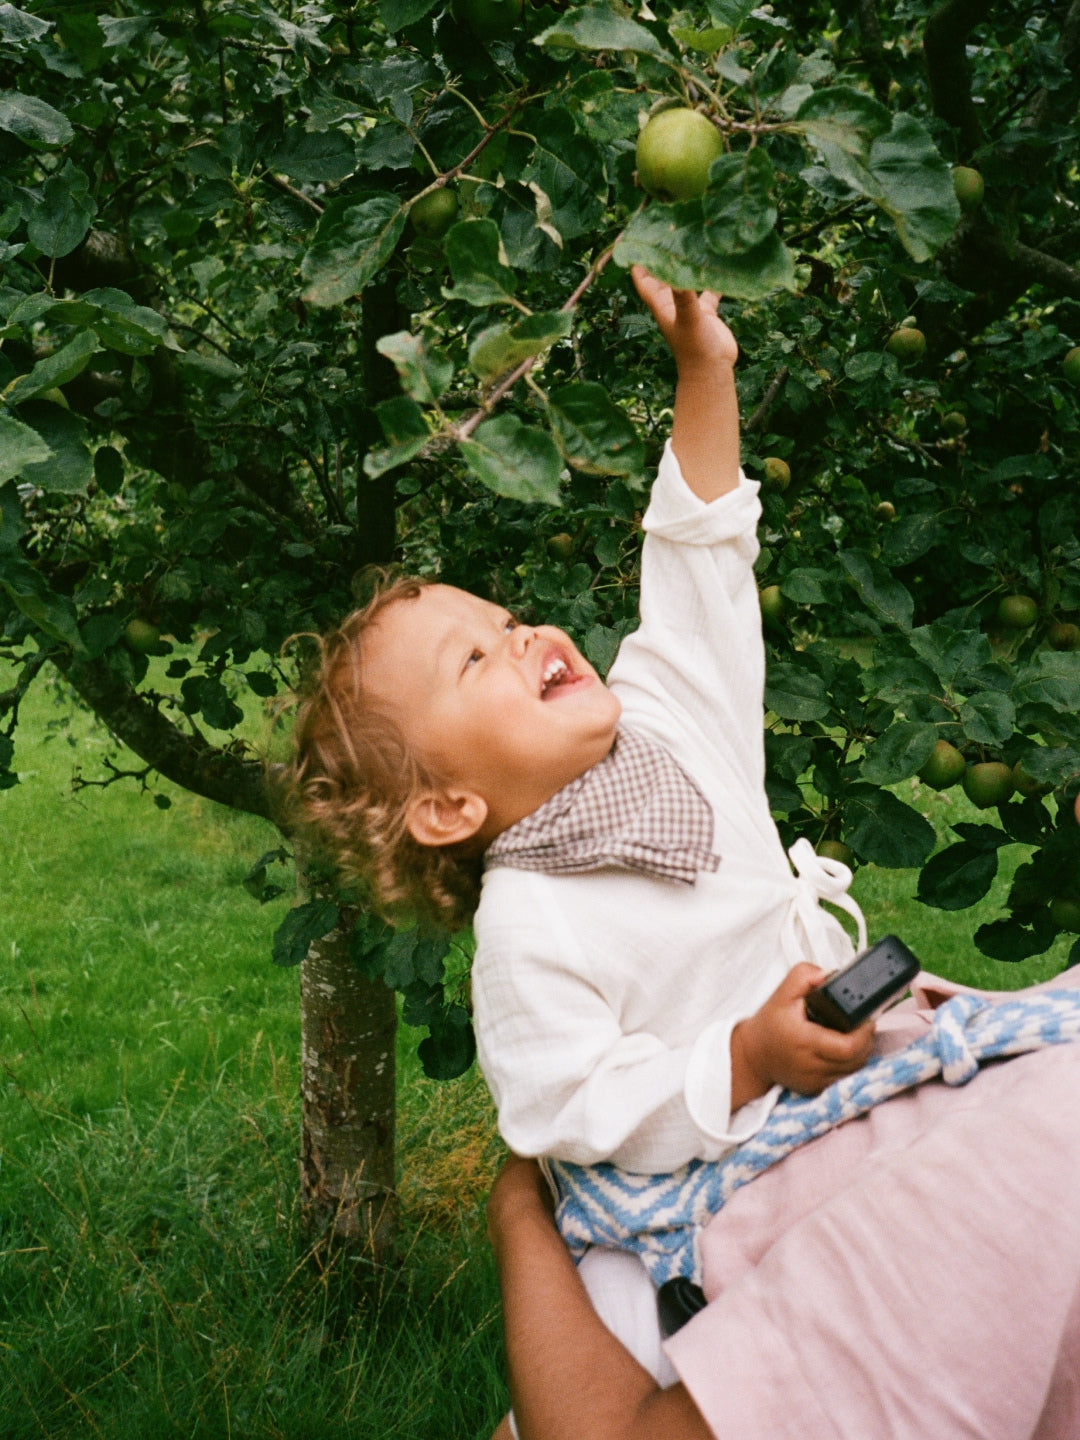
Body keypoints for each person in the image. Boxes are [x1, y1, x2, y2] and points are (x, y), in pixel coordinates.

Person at [286, 266, 876, 1385]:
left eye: (504, 620)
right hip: (683, 1208)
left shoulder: (666, 711)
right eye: (475, 659)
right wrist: (741, 1058)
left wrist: (704, 370)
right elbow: (573, 1104)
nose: (519, 638)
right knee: (662, 1354)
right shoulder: (530, 927)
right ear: (452, 806)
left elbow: (698, 547)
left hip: (841, 1111)